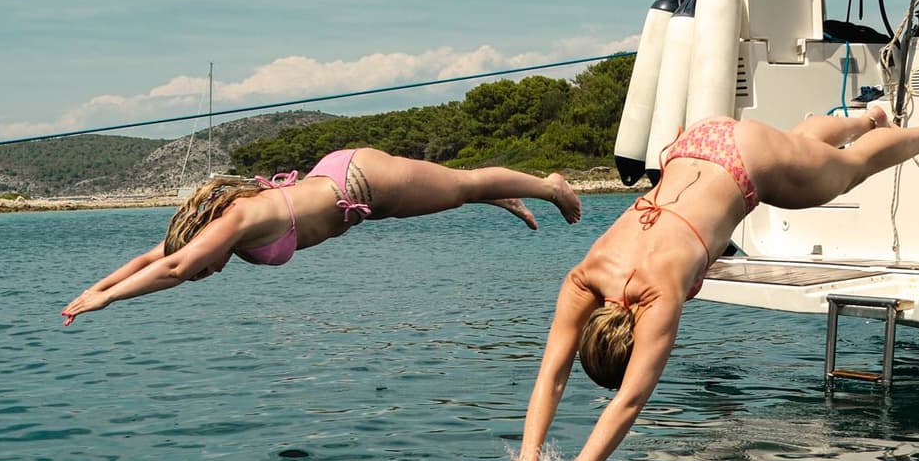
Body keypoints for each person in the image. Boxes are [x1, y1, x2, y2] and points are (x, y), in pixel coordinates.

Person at [504, 108, 919, 461]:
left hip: (745, 166)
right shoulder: (586, 275)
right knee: (800, 149)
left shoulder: (658, 295)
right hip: (698, 143)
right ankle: (868, 119)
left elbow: (628, 402)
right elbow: (552, 376)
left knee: (850, 171)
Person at [62, 147, 582, 323]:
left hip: (362, 182)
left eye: (205, 269)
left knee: (464, 184)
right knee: (458, 190)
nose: (207, 270)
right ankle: (496, 195)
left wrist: (109, 302)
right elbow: (153, 258)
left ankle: (548, 186)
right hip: (348, 189)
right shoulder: (212, 228)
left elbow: (174, 268)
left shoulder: (234, 223)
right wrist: (95, 289)